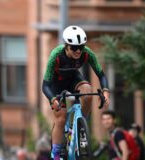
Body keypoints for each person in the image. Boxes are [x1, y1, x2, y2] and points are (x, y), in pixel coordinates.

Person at [42, 25, 110, 160]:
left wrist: (105, 91)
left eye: (81, 46)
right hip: (56, 84)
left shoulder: (87, 53)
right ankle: (55, 153)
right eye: (74, 47)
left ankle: (80, 127)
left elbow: (101, 74)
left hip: (73, 78)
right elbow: (45, 85)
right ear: (66, 46)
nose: (78, 50)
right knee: (60, 118)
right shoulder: (56, 55)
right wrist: (53, 100)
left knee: (88, 91)